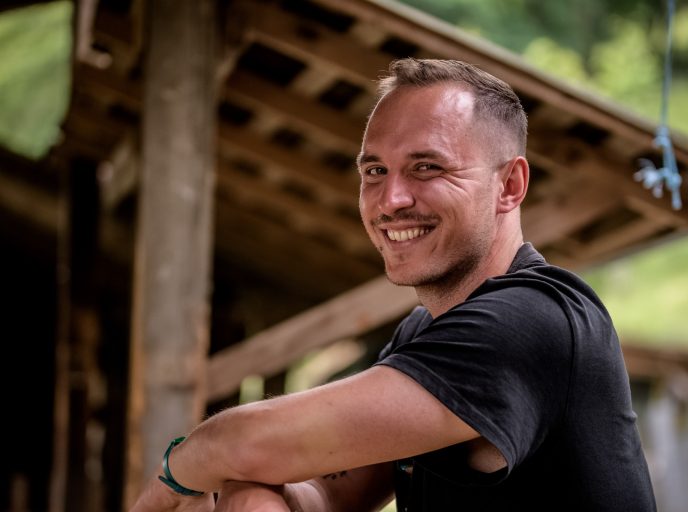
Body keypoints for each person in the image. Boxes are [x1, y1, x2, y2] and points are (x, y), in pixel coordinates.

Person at [130, 58, 656, 512]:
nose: (391, 200)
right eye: (375, 171)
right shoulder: (423, 331)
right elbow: (328, 493)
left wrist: (176, 475)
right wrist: (248, 490)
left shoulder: (532, 318)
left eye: (427, 167)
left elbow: (243, 442)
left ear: (509, 186)